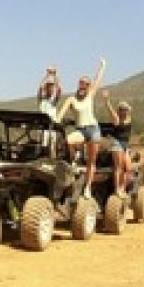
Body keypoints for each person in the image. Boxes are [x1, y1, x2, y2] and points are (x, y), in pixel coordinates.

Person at [56, 58, 106, 199]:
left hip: (93, 129)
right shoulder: (71, 99)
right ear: (79, 85)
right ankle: (75, 158)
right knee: (68, 141)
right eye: (81, 83)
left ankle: (88, 188)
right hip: (81, 130)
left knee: (91, 161)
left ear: (88, 86)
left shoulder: (90, 95)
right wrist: (56, 119)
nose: (83, 85)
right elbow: (62, 112)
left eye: (86, 83)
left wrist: (102, 66)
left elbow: (98, 79)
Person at [102, 89, 133, 198]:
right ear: (119, 110)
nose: (123, 111)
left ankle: (122, 188)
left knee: (128, 169)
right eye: (121, 109)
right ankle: (117, 190)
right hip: (117, 144)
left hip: (125, 145)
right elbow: (109, 110)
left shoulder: (129, 119)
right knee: (118, 167)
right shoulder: (116, 119)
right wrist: (106, 100)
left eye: (125, 109)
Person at [37, 65, 63, 154]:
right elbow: (40, 88)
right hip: (42, 125)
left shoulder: (53, 100)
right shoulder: (42, 99)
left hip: (52, 125)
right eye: (48, 86)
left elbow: (59, 89)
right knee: (42, 144)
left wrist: (55, 76)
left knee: (52, 145)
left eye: (52, 87)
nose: (50, 88)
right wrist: (47, 76)